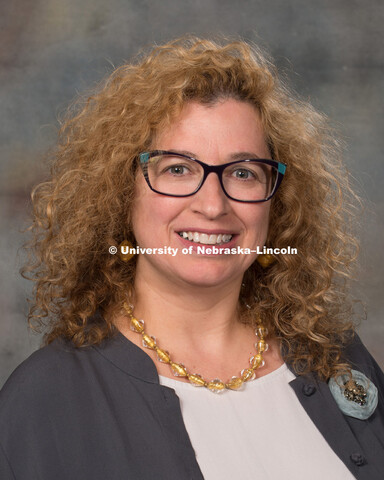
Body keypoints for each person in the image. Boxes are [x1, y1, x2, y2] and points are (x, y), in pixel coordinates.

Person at [0, 37, 383, 480]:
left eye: (243, 173)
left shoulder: (337, 358)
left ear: (277, 200)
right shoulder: (43, 401)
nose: (213, 205)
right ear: (122, 192)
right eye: (178, 169)